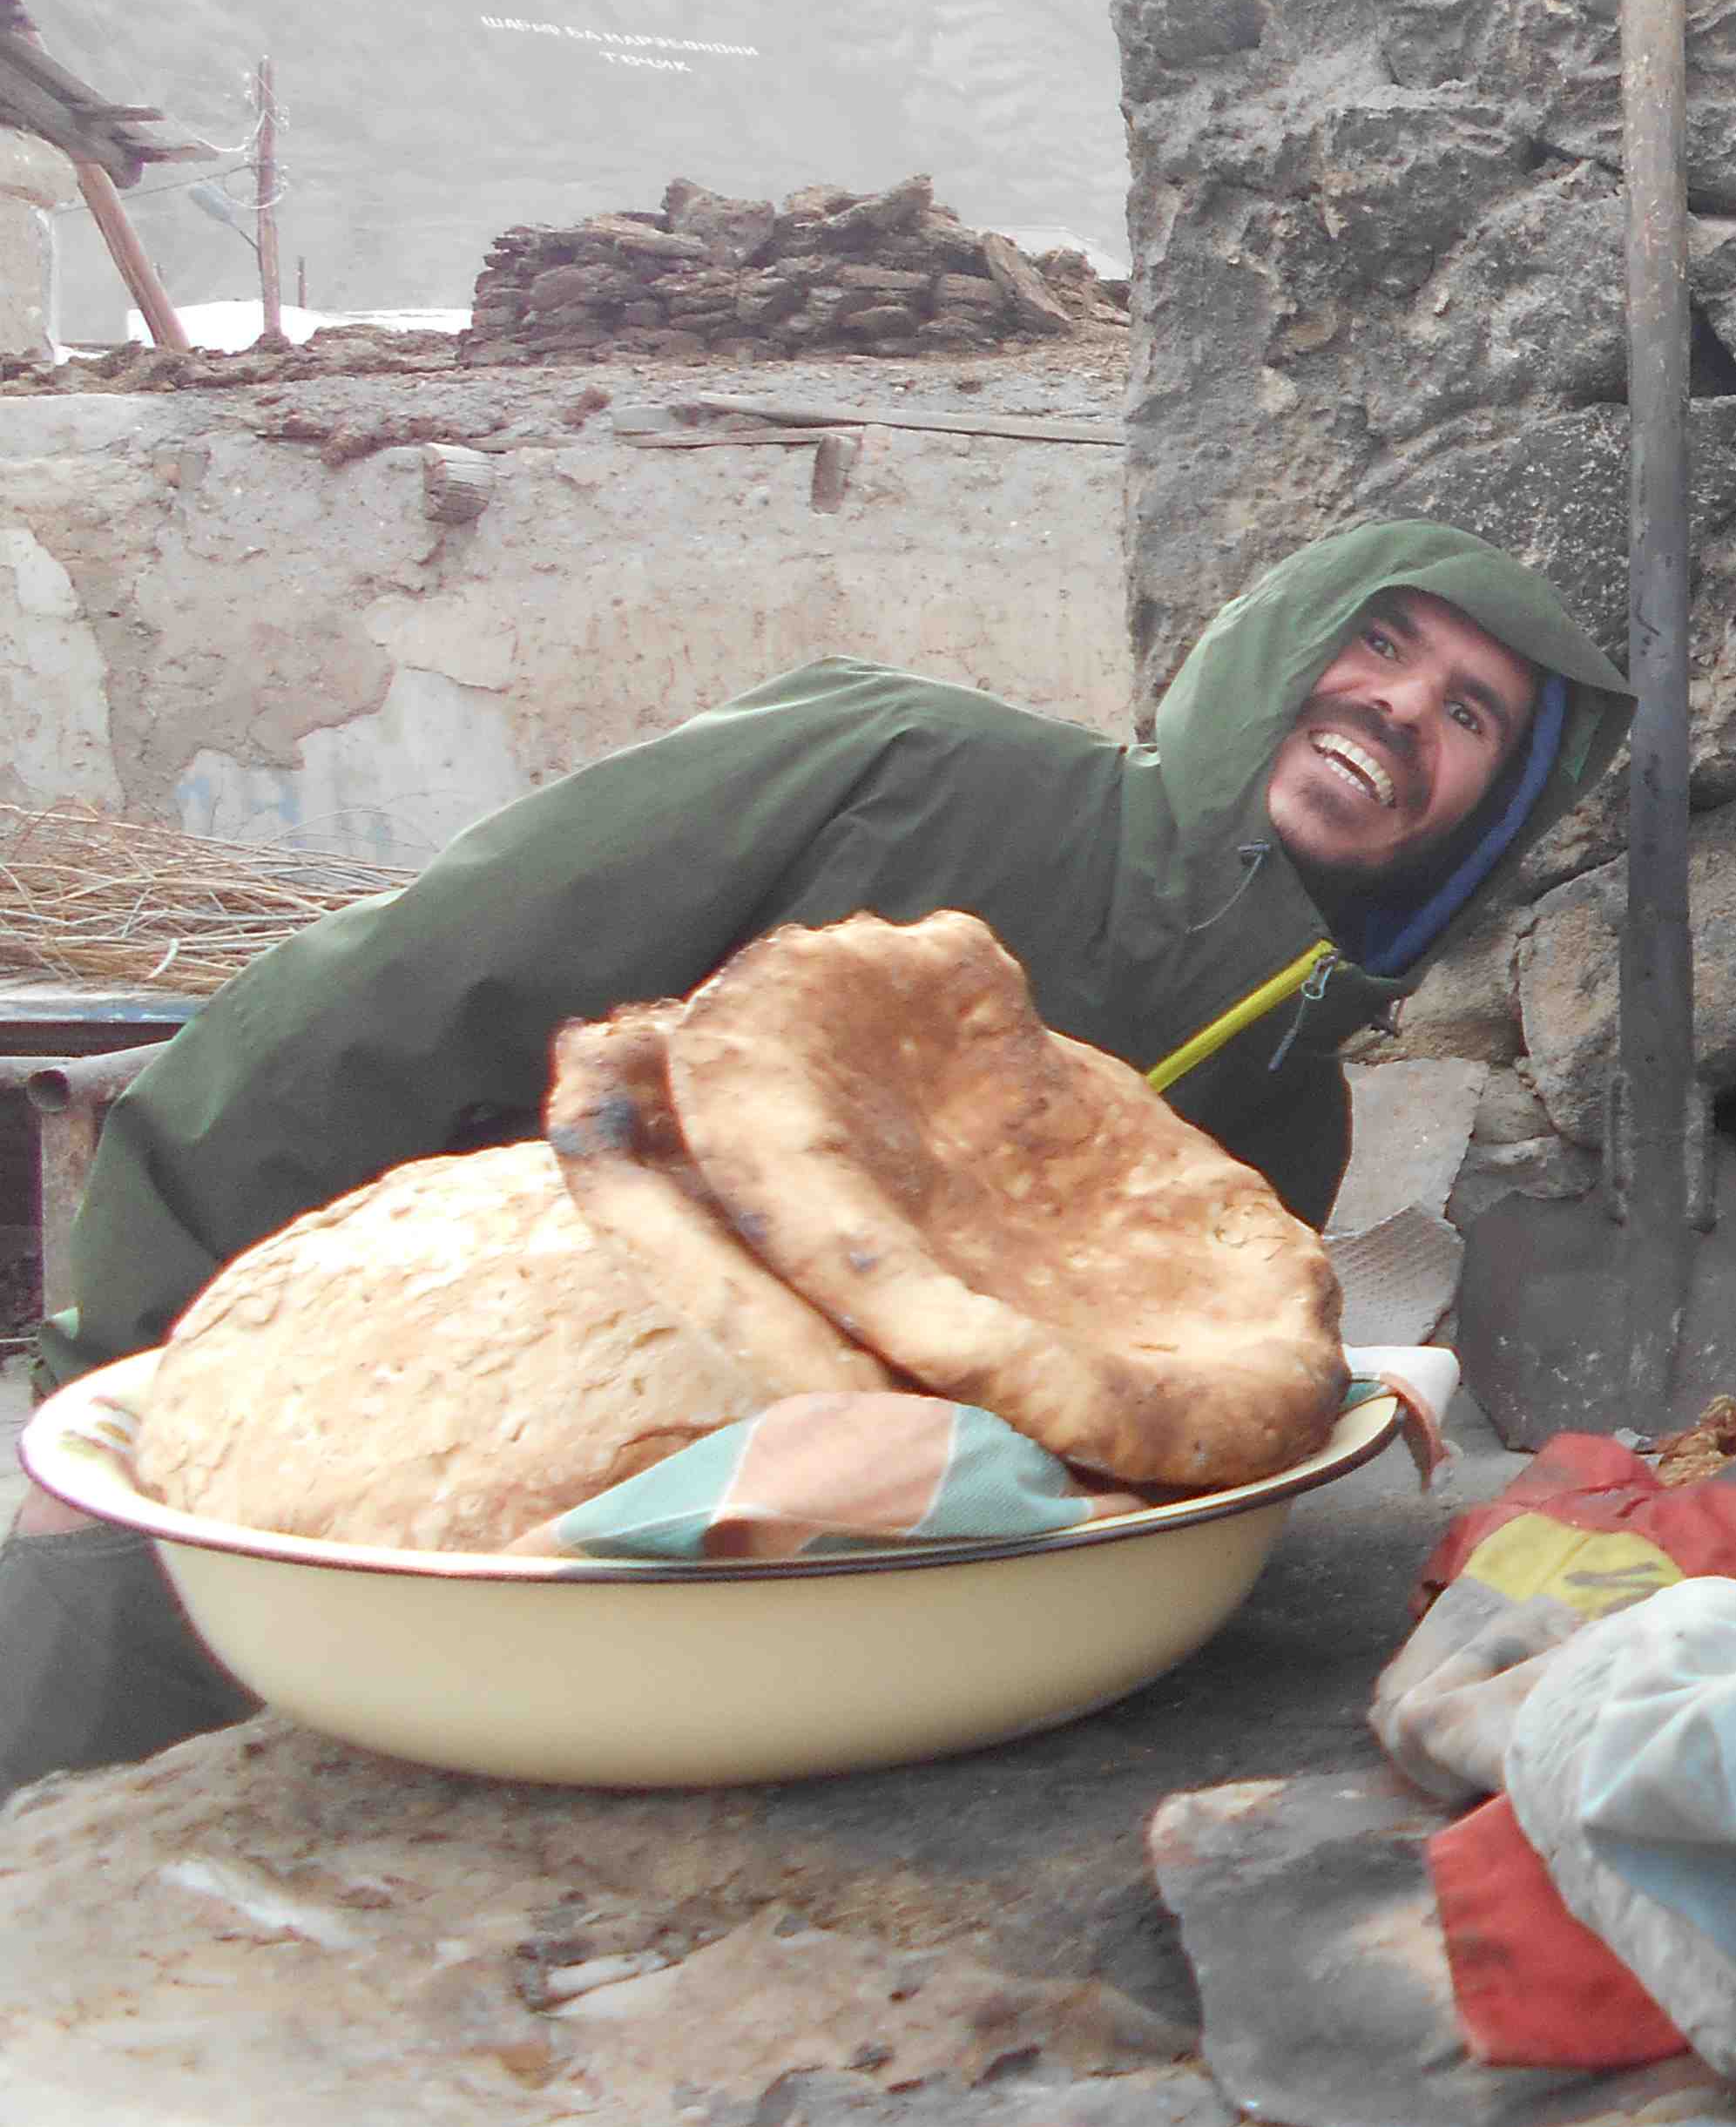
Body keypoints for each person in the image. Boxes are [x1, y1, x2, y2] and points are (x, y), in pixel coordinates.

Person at [3, 518, 1627, 1786]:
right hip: (328, 1480)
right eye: (1380, 641)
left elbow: (1093, 1466)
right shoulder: (903, 772)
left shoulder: (1279, 1134)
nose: (1399, 705)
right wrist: (127, 1365)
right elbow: (391, 1004)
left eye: (1468, 714)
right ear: (1280, 647)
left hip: (735, 1667)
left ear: (1483, 817)